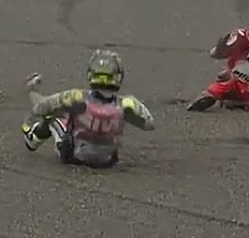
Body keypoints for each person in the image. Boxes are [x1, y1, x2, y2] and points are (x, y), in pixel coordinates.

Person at [21, 49, 155, 168]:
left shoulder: (76, 97)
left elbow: (42, 107)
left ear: (91, 74)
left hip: (73, 156)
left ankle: (33, 139)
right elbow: (149, 124)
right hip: (107, 161)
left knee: (54, 117)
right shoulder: (126, 104)